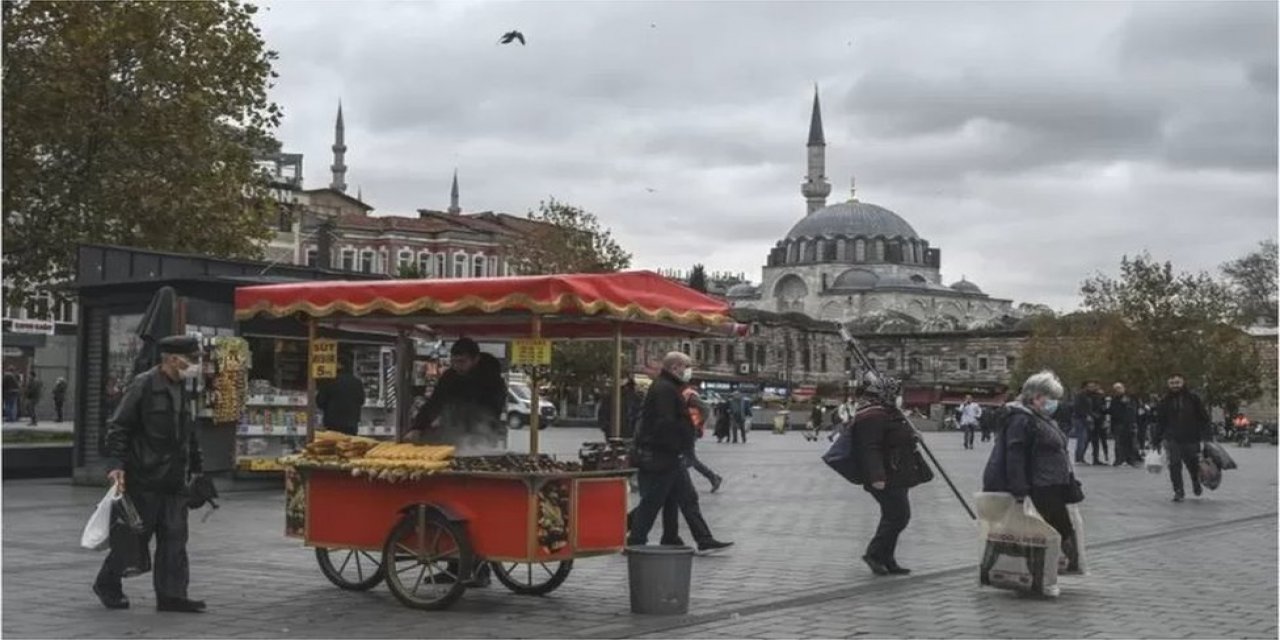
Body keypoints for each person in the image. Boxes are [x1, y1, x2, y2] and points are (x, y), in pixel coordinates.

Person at [95, 336, 206, 613]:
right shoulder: (143, 385)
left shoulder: (183, 388)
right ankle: (107, 583)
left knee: (175, 537)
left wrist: (197, 468)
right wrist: (116, 465)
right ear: (172, 359)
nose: (196, 364)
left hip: (175, 479)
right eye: (192, 359)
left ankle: (172, 596)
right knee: (135, 537)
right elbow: (119, 426)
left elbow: (188, 433)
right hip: (144, 476)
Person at [627, 352, 732, 554]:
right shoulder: (664, 388)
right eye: (686, 366)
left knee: (686, 497)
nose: (688, 370)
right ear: (675, 367)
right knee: (653, 501)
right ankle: (636, 540)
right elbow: (665, 422)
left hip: (670, 455)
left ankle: (698, 538)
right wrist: (677, 445)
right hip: (663, 455)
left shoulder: (669, 386)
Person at [982, 370, 1081, 579]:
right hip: (1040, 486)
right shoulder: (1021, 419)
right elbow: (1015, 455)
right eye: (1051, 397)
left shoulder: (1041, 418)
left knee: (1056, 530)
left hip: (1052, 484)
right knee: (1046, 532)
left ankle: (1051, 571)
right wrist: (1020, 490)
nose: (1054, 403)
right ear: (1037, 397)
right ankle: (1039, 575)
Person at [851, 372, 925, 576]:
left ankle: (887, 558)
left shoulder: (889, 412)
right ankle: (874, 554)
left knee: (893, 516)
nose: (900, 396)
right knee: (899, 516)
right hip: (885, 475)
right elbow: (870, 447)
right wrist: (877, 476)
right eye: (897, 392)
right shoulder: (872, 415)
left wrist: (913, 437)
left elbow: (894, 438)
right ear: (887, 393)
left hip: (897, 472)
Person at [407, 338, 507, 448]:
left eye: (462, 362)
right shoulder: (449, 377)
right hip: (451, 432)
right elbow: (434, 403)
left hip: (481, 435)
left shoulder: (492, 380)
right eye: (453, 361)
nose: (457, 366)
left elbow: (492, 411)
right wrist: (418, 427)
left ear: (476, 359)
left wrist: (476, 432)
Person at [1153, 373, 1212, 503]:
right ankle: (1178, 491)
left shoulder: (1193, 399)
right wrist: (1156, 439)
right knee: (1174, 464)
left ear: (1183, 383)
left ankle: (1196, 481)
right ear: (1168, 385)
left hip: (1191, 437)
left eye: (1177, 383)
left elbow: (1204, 419)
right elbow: (1160, 422)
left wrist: (1207, 437)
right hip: (1172, 438)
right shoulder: (1164, 401)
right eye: (1172, 383)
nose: (1175, 386)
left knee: (1193, 464)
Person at [680, 383, 723, 492]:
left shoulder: (689, 395)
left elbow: (706, 408)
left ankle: (713, 478)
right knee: (687, 459)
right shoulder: (684, 394)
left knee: (689, 459)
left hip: (690, 430)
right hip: (685, 429)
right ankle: (713, 478)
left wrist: (699, 424)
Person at [315, 353, 365, 436]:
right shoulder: (357, 382)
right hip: (351, 422)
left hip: (333, 421)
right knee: (350, 443)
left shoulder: (329, 381)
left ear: (338, 365)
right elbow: (361, 400)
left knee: (334, 442)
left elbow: (320, 401)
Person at [1108, 382, 1139, 467]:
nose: (1118, 390)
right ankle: (1119, 460)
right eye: (1116, 389)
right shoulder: (1114, 400)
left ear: (1123, 388)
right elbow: (1112, 411)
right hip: (1118, 424)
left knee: (1130, 443)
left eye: (1119, 388)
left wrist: (1133, 422)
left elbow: (1133, 410)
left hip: (1128, 423)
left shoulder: (1130, 399)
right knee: (1119, 443)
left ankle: (1130, 460)